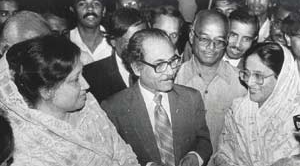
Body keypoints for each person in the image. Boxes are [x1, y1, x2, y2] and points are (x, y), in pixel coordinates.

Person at [1, 35, 139, 166]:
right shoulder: (25, 149)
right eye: (75, 80)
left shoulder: (88, 109)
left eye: (82, 74)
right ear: (46, 91)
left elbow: (124, 156)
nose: (86, 85)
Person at [101, 29, 212, 166]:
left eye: (173, 61)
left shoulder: (191, 98)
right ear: (136, 68)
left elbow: (204, 141)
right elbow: (110, 158)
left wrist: (195, 156)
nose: (171, 71)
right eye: (160, 65)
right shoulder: (114, 108)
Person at [214, 42, 300, 166]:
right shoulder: (238, 110)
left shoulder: (296, 115)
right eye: (246, 74)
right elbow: (223, 154)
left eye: (258, 76)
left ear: (282, 78)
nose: (249, 82)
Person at [176, 10, 246, 156]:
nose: (211, 47)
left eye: (219, 41)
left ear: (226, 42)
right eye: (204, 39)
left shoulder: (241, 84)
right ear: (191, 36)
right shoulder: (174, 78)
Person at [83, 8, 146, 104]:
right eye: (131, 41)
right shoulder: (91, 75)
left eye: (143, 39)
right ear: (113, 41)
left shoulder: (155, 68)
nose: (139, 47)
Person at [70, 0, 113, 65]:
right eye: (82, 4)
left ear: (104, 11)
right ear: (73, 10)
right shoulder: (66, 41)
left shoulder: (114, 43)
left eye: (96, 3)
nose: (90, 8)